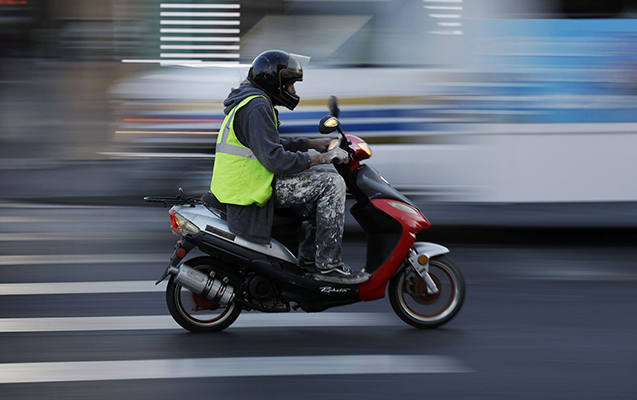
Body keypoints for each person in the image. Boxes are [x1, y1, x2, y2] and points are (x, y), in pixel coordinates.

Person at [210, 50, 369, 284]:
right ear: (274, 82)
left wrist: (311, 144)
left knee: (319, 178)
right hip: (251, 188)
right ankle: (328, 267)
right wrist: (322, 158)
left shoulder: (251, 101)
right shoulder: (256, 106)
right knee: (332, 183)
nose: (293, 91)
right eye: (290, 84)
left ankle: (309, 260)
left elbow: (267, 143)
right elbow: (276, 159)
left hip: (245, 183)